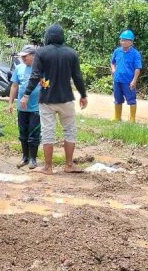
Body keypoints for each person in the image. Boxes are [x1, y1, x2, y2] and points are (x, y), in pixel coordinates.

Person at [21, 24, 88, 175]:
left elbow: (35, 75)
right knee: (69, 131)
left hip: (47, 100)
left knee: (48, 132)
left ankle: (48, 167)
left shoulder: (41, 52)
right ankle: (69, 165)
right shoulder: (71, 53)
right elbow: (77, 77)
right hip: (66, 99)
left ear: (47, 37)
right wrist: (83, 95)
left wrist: (26, 94)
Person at [8, 45, 41, 169]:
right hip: (21, 108)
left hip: (36, 107)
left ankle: (33, 158)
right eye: (21, 56)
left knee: (34, 133)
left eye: (25, 56)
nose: (22, 58)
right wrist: (11, 102)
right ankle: (25, 157)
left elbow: (46, 85)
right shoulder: (19, 68)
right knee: (23, 133)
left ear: (33, 55)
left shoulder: (40, 69)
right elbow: (14, 86)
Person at [111, 30, 143, 123]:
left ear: (131, 42)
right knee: (117, 99)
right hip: (117, 80)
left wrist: (134, 80)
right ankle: (117, 117)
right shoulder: (117, 51)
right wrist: (113, 69)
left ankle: (132, 119)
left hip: (128, 81)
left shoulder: (135, 53)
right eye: (122, 40)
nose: (124, 42)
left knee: (131, 100)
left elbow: (137, 68)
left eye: (126, 40)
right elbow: (113, 62)